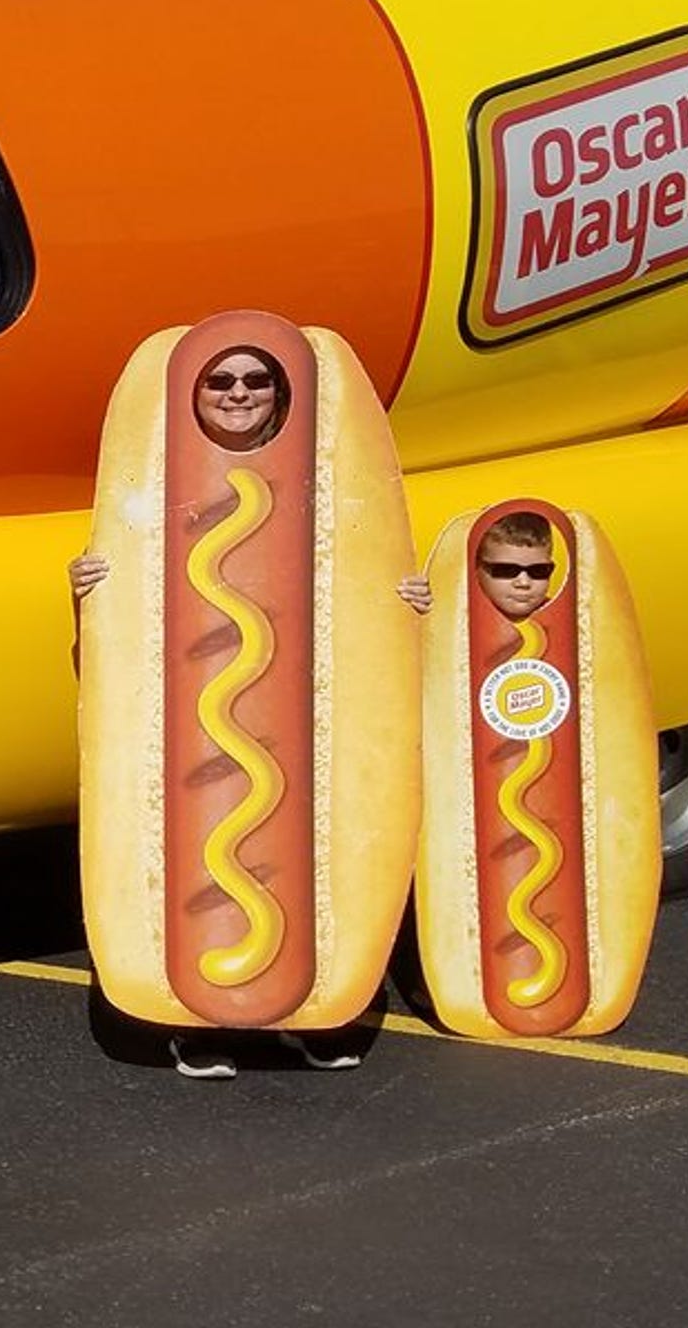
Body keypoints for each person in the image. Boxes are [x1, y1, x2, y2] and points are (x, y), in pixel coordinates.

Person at [68, 345, 406, 1078]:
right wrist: (89, 584)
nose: (238, 393)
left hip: (303, 705)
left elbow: (363, 565)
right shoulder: (157, 478)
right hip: (194, 711)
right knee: (204, 833)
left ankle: (320, 1010)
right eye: (220, 381)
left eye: (257, 381)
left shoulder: (327, 474)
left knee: (310, 835)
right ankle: (201, 1025)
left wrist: (408, 602)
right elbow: (124, 578)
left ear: (283, 393)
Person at [471, 509, 560, 621]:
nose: (524, 583)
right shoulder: (457, 620)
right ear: (475, 567)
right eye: (506, 570)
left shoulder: (566, 620)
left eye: (539, 570)